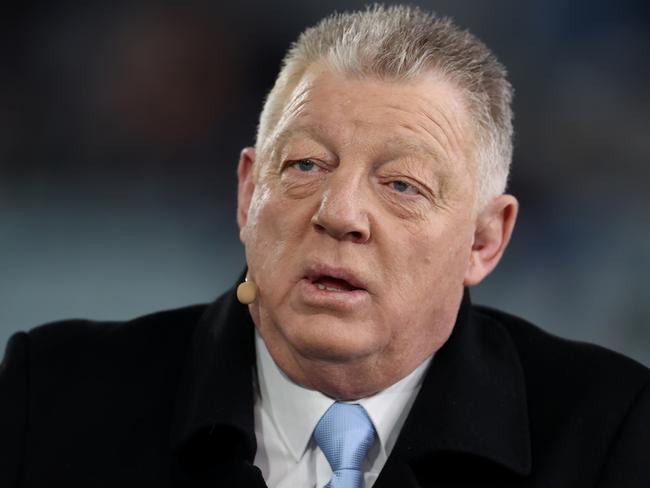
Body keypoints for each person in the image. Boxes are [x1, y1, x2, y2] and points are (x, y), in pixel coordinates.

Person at [1, 5, 648, 487]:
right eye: (306, 166)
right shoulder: (51, 398)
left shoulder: (611, 431)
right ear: (248, 193)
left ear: (484, 240)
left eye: (402, 184)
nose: (340, 215)